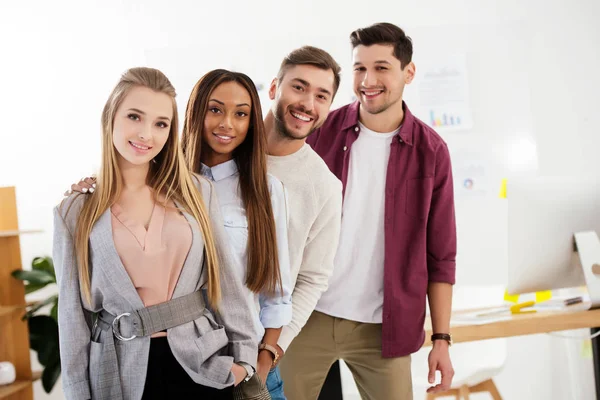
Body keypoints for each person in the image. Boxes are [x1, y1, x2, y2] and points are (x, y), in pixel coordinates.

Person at [53, 67, 257, 400]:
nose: (146, 134)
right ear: (111, 117)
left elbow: (228, 282)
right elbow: (72, 317)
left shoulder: (197, 192)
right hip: (119, 373)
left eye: (160, 123)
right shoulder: (74, 211)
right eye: (135, 116)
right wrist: (78, 393)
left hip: (203, 365)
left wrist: (244, 360)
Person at [281, 22, 457, 400]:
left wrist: (441, 338)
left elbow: (440, 255)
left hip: (384, 328)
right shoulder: (320, 130)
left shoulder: (432, 151)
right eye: (360, 68)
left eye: (381, 68)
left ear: (408, 73)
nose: (367, 79)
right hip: (306, 315)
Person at [181, 69, 292, 398]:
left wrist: (259, 364)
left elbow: (278, 291)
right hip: (186, 363)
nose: (227, 123)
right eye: (215, 110)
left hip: (249, 363)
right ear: (196, 112)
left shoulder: (265, 190)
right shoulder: (166, 186)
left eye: (240, 114)